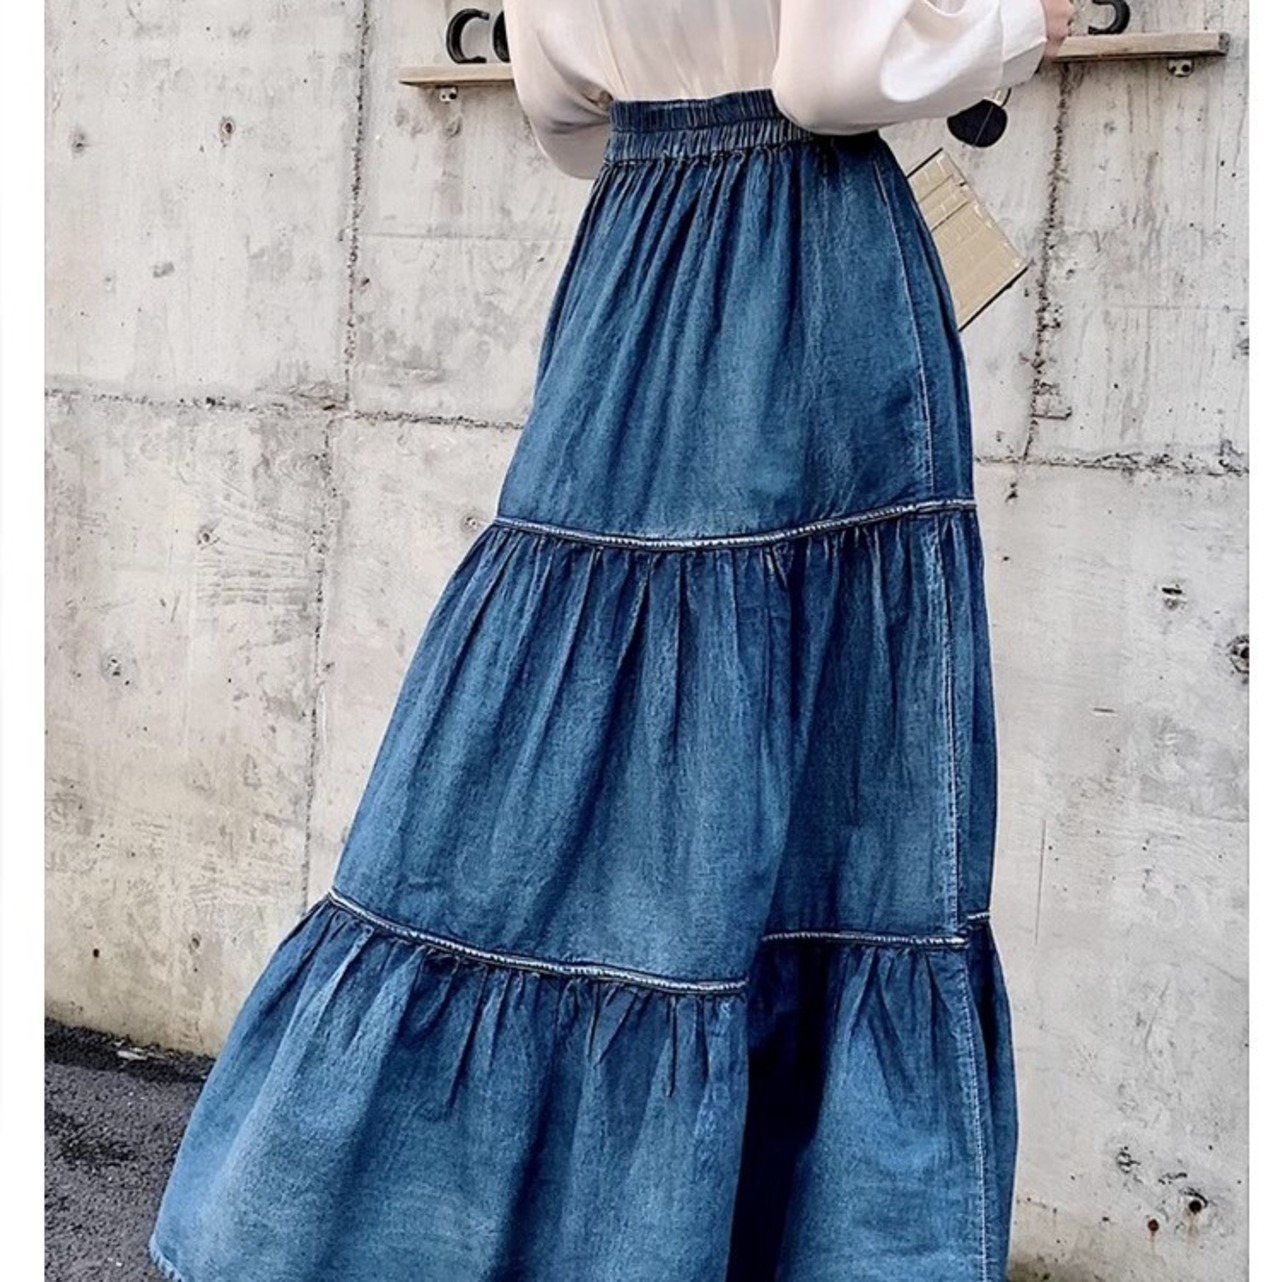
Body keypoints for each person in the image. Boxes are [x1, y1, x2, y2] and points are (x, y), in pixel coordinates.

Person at [150, 1, 1073, 1279]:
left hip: (637, 257)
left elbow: (559, 108)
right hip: (802, 264)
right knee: (837, 794)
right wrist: (1021, 23)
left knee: (560, 740)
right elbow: (826, 78)